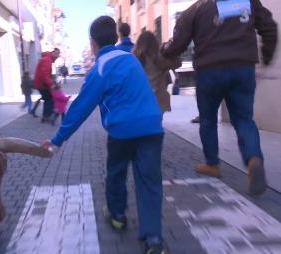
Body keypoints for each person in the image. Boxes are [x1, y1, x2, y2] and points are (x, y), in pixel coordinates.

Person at [42, 16, 167, 254]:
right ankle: (153, 239)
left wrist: (57, 140)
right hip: (152, 127)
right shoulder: (131, 59)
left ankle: (118, 215)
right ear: (115, 37)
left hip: (122, 130)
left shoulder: (100, 68)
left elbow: (80, 108)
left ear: (93, 43)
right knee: (149, 182)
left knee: (116, 172)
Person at [161, 0, 277, 195]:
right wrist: (266, 54)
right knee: (243, 119)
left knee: (207, 120)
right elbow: (269, 27)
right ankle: (253, 159)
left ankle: (213, 164)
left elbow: (179, 41)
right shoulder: (246, 2)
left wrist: (165, 50)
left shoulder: (198, 8)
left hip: (209, 70)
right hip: (243, 67)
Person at [134, 31, 181, 114]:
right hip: (157, 101)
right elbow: (178, 63)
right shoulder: (159, 59)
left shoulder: (134, 58)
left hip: (139, 100)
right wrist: (167, 51)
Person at [32, 48, 61, 122]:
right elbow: (44, 75)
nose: (57, 57)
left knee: (47, 98)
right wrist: (52, 84)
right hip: (41, 84)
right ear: (53, 53)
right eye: (56, 54)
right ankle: (46, 116)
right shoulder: (47, 60)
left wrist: (52, 81)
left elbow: (46, 74)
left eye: (58, 55)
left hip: (42, 84)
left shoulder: (48, 60)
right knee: (49, 99)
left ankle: (45, 116)